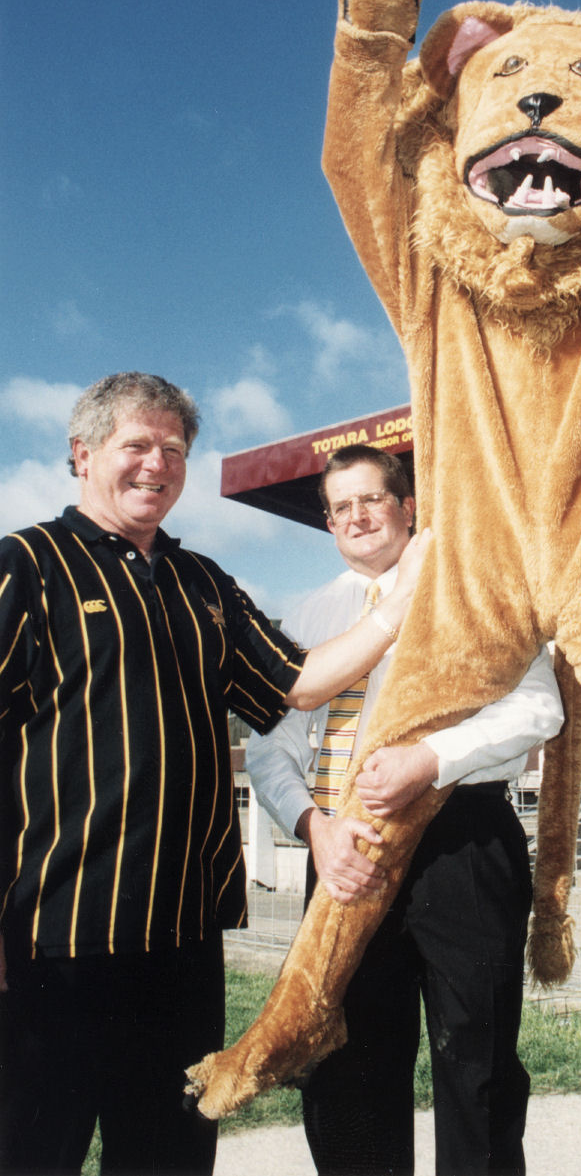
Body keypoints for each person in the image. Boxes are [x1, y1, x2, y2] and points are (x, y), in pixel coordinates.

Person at [0, 374, 429, 1176]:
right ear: (81, 454)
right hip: (53, 940)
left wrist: (394, 609)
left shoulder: (206, 583)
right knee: (34, 1147)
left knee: (169, 1152)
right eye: (137, 444)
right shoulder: (26, 564)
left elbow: (295, 683)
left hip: (184, 939)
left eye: (174, 449)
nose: (156, 464)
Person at [246, 443, 564, 1176]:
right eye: (340, 506)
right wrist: (313, 827)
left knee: (475, 1059)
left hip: (460, 841)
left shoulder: (476, 589)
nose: (356, 515)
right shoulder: (304, 614)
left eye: (371, 498)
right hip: (344, 851)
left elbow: (537, 708)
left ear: (407, 506)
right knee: (345, 1064)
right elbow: (270, 749)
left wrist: (429, 761)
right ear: (326, 522)